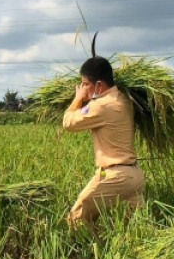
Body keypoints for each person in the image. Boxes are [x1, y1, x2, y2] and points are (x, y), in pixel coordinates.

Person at [62, 54, 145, 228]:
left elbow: (68, 123)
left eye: (85, 84)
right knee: (130, 231)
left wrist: (78, 98)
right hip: (134, 175)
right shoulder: (125, 99)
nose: (82, 88)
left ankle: (90, 254)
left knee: (76, 219)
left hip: (116, 177)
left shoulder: (101, 106)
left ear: (99, 85)